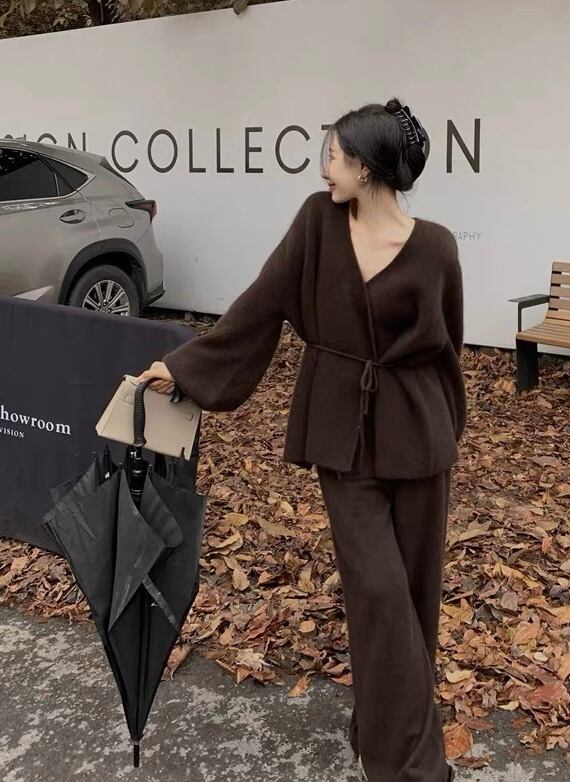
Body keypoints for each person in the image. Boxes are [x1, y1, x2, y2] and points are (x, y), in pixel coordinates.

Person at [138, 97, 465, 782]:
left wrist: (447, 429)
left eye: (334, 156)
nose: (325, 169)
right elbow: (262, 303)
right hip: (340, 432)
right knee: (379, 594)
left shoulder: (437, 246)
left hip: (418, 433)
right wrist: (187, 367)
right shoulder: (318, 223)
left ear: (367, 166)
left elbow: (447, 350)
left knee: (414, 596)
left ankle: (378, 728)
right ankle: (416, 770)